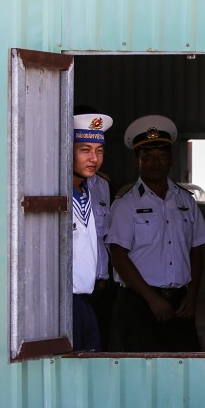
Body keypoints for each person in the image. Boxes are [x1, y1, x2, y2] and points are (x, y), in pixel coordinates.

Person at [106, 115, 205, 352]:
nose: (156, 162)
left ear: (171, 159)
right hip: (138, 304)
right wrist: (152, 299)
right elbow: (118, 257)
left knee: (184, 374)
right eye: (148, 157)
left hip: (179, 304)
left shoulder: (186, 201)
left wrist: (192, 296)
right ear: (136, 161)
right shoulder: (125, 204)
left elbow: (197, 250)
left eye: (162, 155)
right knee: (137, 377)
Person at [74, 105, 117, 350]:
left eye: (99, 150)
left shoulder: (98, 187)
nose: (94, 159)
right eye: (85, 150)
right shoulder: (52, 190)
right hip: (64, 304)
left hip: (95, 297)